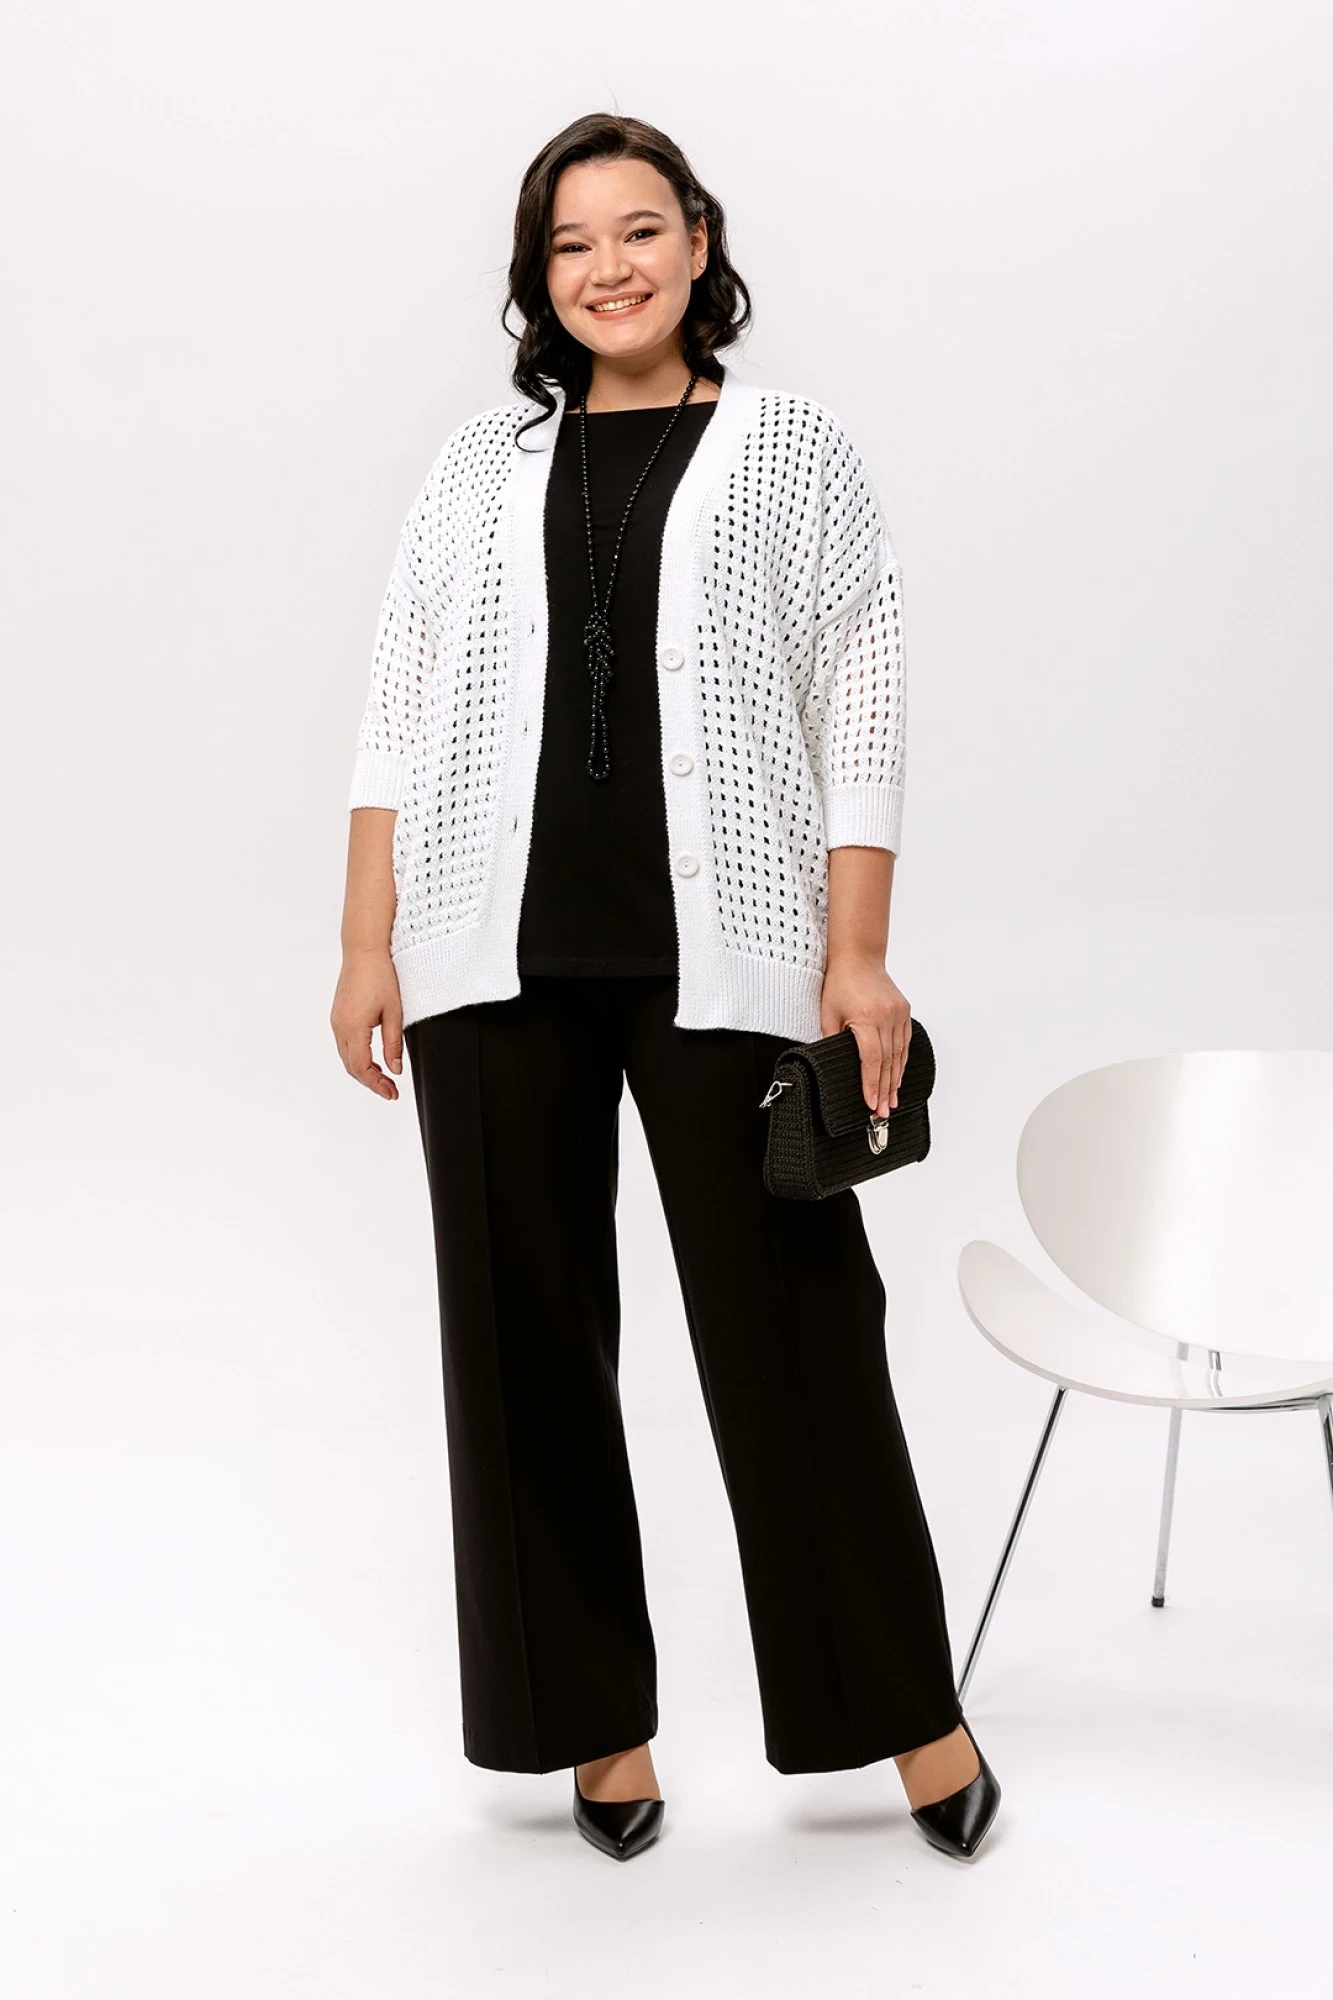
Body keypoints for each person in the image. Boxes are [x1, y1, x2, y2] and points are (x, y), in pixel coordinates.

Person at [331, 111, 1001, 1865]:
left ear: (699, 243)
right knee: (521, 1351)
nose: (609, 269)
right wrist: (365, 939)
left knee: (797, 1341)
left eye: (640, 231)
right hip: (489, 961)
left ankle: (909, 1718)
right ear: (537, 277)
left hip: (733, 962)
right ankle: (595, 1734)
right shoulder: (477, 466)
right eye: (571, 244)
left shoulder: (792, 449)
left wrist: (856, 952)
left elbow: (864, 698)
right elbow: (397, 698)